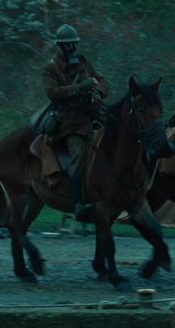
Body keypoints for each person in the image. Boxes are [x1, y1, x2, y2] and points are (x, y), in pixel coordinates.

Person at [41, 24, 110, 222]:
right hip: (69, 122)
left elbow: (103, 81)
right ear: (60, 46)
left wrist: (98, 91)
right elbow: (53, 93)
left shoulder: (83, 61)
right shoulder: (51, 68)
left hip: (91, 114)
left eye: (73, 43)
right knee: (79, 158)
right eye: (67, 44)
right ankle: (78, 203)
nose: (71, 47)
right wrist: (79, 87)